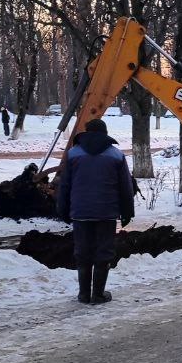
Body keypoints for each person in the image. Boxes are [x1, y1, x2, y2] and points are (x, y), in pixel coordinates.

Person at [57, 118, 135, 305]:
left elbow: (64, 185)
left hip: (80, 212)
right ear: (105, 134)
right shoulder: (116, 155)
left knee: (82, 252)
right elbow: (125, 187)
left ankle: (84, 294)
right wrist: (127, 212)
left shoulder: (73, 154)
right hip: (106, 213)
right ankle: (98, 294)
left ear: (86, 132)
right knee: (104, 252)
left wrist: (63, 210)